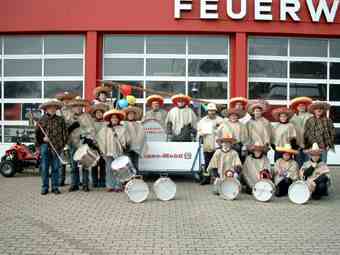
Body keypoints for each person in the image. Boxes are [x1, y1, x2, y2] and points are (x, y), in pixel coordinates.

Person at [35, 99, 68, 195]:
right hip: (45, 147)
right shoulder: (41, 120)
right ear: (46, 109)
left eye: (54, 107)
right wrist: (42, 139)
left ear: (56, 109)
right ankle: (45, 187)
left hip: (57, 147)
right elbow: (37, 133)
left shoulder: (60, 119)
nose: (52, 109)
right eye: (50, 108)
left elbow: (65, 133)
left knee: (56, 168)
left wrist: (63, 144)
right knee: (45, 168)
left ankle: (55, 187)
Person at [67, 97, 96, 192]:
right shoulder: (69, 117)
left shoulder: (87, 116)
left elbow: (92, 130)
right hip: (72, 143)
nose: (78, 108)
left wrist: (88, 139)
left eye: (80, 106)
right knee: (73, 165)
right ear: (72, 108)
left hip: (83, 144)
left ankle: (85, 184)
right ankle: (74, 184)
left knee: (85, 164)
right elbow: (65, 130)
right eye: (76, 106)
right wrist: (71, 127)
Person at [96, 109, 129, 192]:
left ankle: (118, 186)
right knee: (109, 169)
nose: (114, 119)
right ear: (110, 119)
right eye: (112, 118)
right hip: (108, 151)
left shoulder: (122, 128)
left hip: (118, 151)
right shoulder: (105, 129)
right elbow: (100, 139)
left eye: (116, 118)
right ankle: (110, 185)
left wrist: (124, 143)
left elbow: (126, 139)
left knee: (119, 168)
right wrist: (103, 149)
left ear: (118, 119)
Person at [197, 103, 223, 185]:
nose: (211, 112)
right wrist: (201, 133)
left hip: (218, 145)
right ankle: (206, 179)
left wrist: (217, 130)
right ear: (207, 111)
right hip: (207, 145)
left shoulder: (221, 120)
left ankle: (217, 179)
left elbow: (224, 131)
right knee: (207, 163)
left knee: (217, 163)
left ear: (215, 111)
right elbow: (199, 131)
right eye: (210, 111)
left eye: (213, 111)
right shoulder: (203, 121)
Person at [55, 91, 78, 186]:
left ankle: (74, 183)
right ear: (62, 101)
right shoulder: (58, 111)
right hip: (62, 140)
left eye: (68, 100)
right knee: (61, 162)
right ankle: (61, 180)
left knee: (73, 162)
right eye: (64, 100)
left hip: (72, 139)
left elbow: (77, 123)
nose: (66, 102)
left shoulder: (74, 110)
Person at [289, 97, 313, 167]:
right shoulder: (292, 118)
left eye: (303, 106)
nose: (301, 107)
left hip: (308, 144)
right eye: (299, 106)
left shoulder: (311, 116)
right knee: (298, 162)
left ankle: (307, 177)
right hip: (297, 144)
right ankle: (298, 177)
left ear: (306, 107)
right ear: (297, 107)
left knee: (308, 163)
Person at [89, 103, 107, 188]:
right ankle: (95, 181)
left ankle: (102, 181)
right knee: (94, 164)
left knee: (103, 164)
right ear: (95, 114)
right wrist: (94, 141)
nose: (99, 114)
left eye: (100, 112)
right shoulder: (92, 123)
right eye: (97, 113)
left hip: (103, 146)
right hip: (94, 145)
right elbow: (91, 133)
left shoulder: (106, 123)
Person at [122, 106, 145, 171]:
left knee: (135, 164)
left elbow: (141, 135)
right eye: (129, 114)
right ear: (127, 115)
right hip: (126, 148)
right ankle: (127, 179)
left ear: (134, 115)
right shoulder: (123, 124)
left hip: (136, 148)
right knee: (127, 164)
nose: (131, 115)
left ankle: (135, 179)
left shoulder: (138, 124)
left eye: (132, 114)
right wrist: (125, 144)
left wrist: (138, 144)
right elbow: (122, 135)